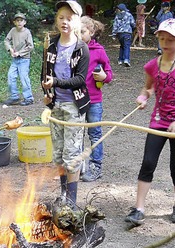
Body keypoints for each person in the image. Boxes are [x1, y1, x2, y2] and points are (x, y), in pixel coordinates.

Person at [125, 18, 175, 226]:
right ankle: (139, 208)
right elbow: (148, 88)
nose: (166, 43)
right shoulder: (152, 65)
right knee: (148, 162)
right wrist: (143, 97)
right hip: (158, 121)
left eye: (171, 39)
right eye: (162, 38)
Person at [42, 0, 90, 206]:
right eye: (61, 17)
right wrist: (46, 91)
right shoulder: (51, 46)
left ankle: (72, 200)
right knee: (59, 154)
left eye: (69, 19)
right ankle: (63, 194)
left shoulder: (81, 49)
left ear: (76, 22)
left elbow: (80, 79)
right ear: (56, 20)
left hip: (74, 106)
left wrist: (57, 82)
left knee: (72, 155)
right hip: (56, 106)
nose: (64, 22)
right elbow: (44, 73)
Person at [80, 16, 113, 182]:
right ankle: (77, 165)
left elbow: (109, 75)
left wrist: (103, 76)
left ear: (91, 32)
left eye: (83, 31)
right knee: (76, 133)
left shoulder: (99, 50)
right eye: (76, 32)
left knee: (95, 133)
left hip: (94, 101)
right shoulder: (72, 49)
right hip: (75, 100)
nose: (79, 35)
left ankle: (95, 166)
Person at [3, 12, 35, 106]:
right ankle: (14, 97)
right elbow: (6, 40)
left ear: (24, 22)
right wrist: (10, 49)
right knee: (10, 76)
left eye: (21, 20)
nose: (19, 22)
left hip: (24, 59)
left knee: (24, 78)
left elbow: (30, 46)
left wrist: (19, 53)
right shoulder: (13, 30)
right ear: (14, 22)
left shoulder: (27, 32)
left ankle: (29, 98)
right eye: (17, 20)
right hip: (15, 60)